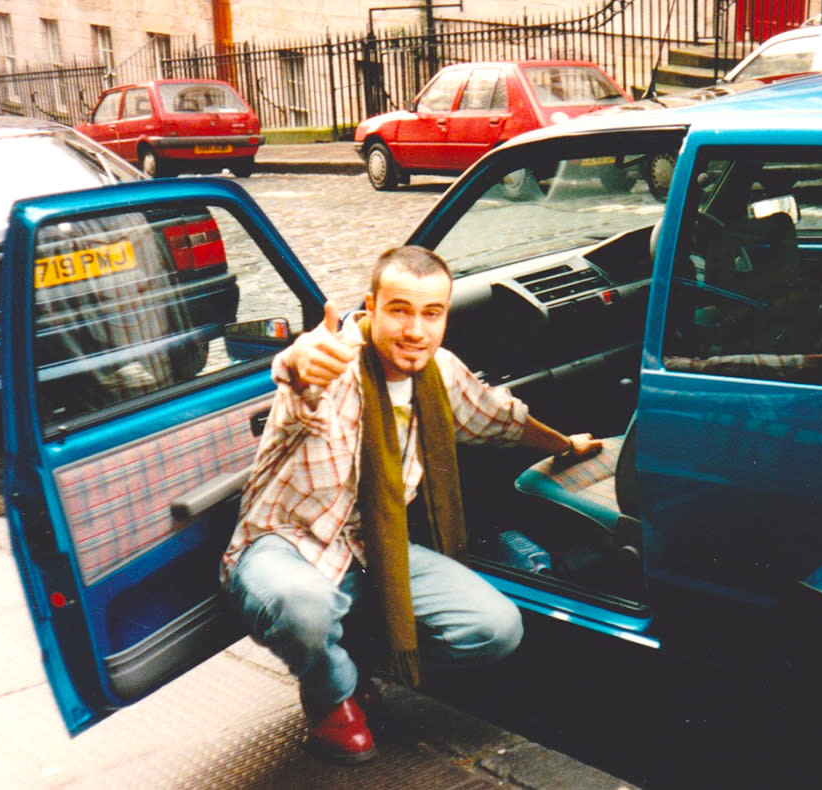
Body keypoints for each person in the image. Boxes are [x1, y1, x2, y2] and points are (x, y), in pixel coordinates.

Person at [220, 245, 602, 765]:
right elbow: (297, 378)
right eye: (399, 310)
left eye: (431, 313)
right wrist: (298, 360)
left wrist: (564, 444)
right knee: (302, 606)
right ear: (371, 308)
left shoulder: (440, 371)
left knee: (495, 628)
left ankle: (354, 653)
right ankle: (332, 693)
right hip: (286, 543)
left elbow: (498, 418)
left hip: (374, 545)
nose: (415, 331)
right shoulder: (332, 365)